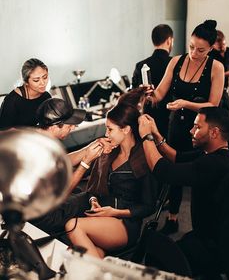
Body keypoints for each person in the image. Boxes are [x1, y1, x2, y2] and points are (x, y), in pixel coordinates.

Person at [145, 20, 225, 235]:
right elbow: (160, 94)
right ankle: (172, 217)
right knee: (174, 167)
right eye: (191, 46)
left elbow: (213, 104)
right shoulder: (176, 62)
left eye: (200, 50)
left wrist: (185, 103)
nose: (194, 53)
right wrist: (149, 94)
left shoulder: (216, 67)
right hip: (177, 125)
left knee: (197, 171)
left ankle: (202, 226)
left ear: (210, 48)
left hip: (201, 128)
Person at [138, 107, 229, 279]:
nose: (191, 130)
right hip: (204, 234)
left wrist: (146, 137)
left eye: (197, 127)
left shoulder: (216, 164)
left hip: (215, 245)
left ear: (214, 132)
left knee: (159, 262)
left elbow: (163, 171)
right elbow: (176, 157)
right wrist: (157, 135)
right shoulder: (209, 154)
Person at [65, 102, 157, 258]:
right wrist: (94, 200)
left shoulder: (144, 159)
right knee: (76, 254)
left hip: (125, 224)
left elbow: (149, 207)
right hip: (103, 216)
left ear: (126, 129)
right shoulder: (109, 153)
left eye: (110, 129)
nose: (106, 134)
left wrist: (115, 211)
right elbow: (92, 188)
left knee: (72, 226)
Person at [30, 98, 111, 237]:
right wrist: (86, 163)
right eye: (70, 125)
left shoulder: (37, 136)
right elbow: (59, 195)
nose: (73, 127)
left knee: (80, 191)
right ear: (56, 125)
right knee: (94, 198)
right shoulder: (41, 153)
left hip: (34, 205)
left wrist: (89, 147)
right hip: (42, 216)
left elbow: (63, 160)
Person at [132, 24, 174, 137]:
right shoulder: (175, 63)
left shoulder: (140, 65)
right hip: (171, 118)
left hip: (149, 117)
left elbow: (134, 94)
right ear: (169, 40)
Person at [0, 58, 51, 129]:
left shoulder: (46, 97)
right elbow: (4, 131)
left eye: (45, 77)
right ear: (26, 82)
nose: (43, 83)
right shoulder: (13, 101)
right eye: (36, 80)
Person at [209, 29, 229, 111]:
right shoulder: (210, 55)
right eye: (219, 46)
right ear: (213, 45)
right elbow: (210, 75)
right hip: (213, 91)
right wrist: (226, 74)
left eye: (224, 44)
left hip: (225, 89)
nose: (223, 47)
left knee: (228, 114)